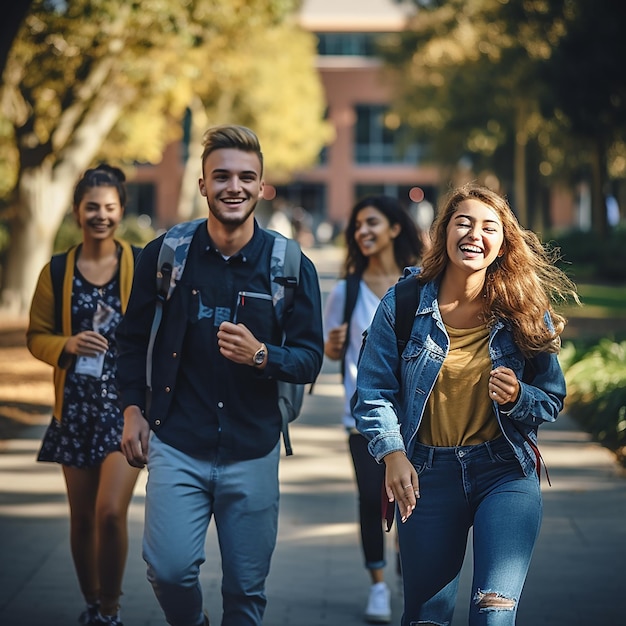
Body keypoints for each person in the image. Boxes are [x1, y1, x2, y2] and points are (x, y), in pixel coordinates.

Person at [116, 124, 324, 626]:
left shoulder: (291, 265)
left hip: (252, 449)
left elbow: (309, 359)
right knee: (168, 571)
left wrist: (261, 356)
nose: (235, 186)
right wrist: (130, 411)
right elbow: (131, 341)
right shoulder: (164, 255)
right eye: (222, 176)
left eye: (246, 177)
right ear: (204, 185)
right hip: (177, 442)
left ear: (260, 184)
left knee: (246, 592)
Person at [352, 183, 579, 626]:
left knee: (494, 615)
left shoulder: (525, 311)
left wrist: (517, 398)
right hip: (426, 477)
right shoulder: (401, 304)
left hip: (504, 472)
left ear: (502, 243)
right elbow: (373, 391)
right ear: (444, 233)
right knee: (426, 618)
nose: (475, 233)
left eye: (489, 227)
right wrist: (393, 454)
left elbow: (551, 398)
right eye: (464, 222)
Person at [27, 165, 142, 626]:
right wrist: (67, 346)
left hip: (125, 411)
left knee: (110, 513)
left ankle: (111, 608)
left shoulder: (139, 264)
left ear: (121, 211)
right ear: (77, 212)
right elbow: (36, 336)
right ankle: (92, 603)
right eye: (91, 207)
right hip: (74, 410)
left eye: (109, 208)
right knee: (81, 520)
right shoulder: (56, 271)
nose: (100, 215)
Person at [323, 195, 425, 624]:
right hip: (363, 420)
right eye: (357, 227)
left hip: (419, 419)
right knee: (371, 499)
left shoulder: (419, 286)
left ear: (395, 228)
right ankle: (379, 585)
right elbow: (331, 352)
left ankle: (408, 572)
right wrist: (331, 347)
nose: (362, 232)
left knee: (412, 502)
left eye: (371, 223)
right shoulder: (345, 292)